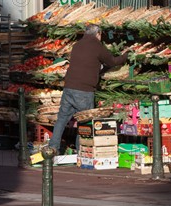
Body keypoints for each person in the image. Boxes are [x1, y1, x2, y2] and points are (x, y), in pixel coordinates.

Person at [48, 24, 128, 154]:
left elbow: (86, 63)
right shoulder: (97, 46)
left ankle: (53, 147)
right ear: (98, 34)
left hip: (69, 87)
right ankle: (82, 151)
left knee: (62, 119)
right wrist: (125, 56)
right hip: (84, 90)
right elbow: (112, 61)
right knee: (85, 122)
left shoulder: (77, 45)